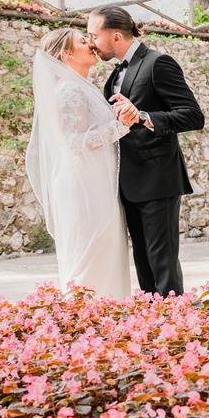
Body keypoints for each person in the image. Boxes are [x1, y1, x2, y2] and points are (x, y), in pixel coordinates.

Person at [87, 6, 205, 297]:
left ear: (115, 36)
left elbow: (193, 115)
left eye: (93, 35)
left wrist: (142, 115)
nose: (90, 42)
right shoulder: (114, 73)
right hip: (127, 183)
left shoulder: (157, 63)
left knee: (162, 262)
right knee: (142, 262)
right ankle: (152, 326)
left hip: (157, 179)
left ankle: (174, 327)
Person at [25, 28, 136, 299]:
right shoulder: (69, 91)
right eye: (83, 42)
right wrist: (120, 127)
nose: (91, 45)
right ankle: (87, 319)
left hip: (95, 181)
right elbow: (74, 142)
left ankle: (106, 319)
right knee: (92, 252)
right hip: (83, 186)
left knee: (105, 250)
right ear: (66, 54)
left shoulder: (82, 86)